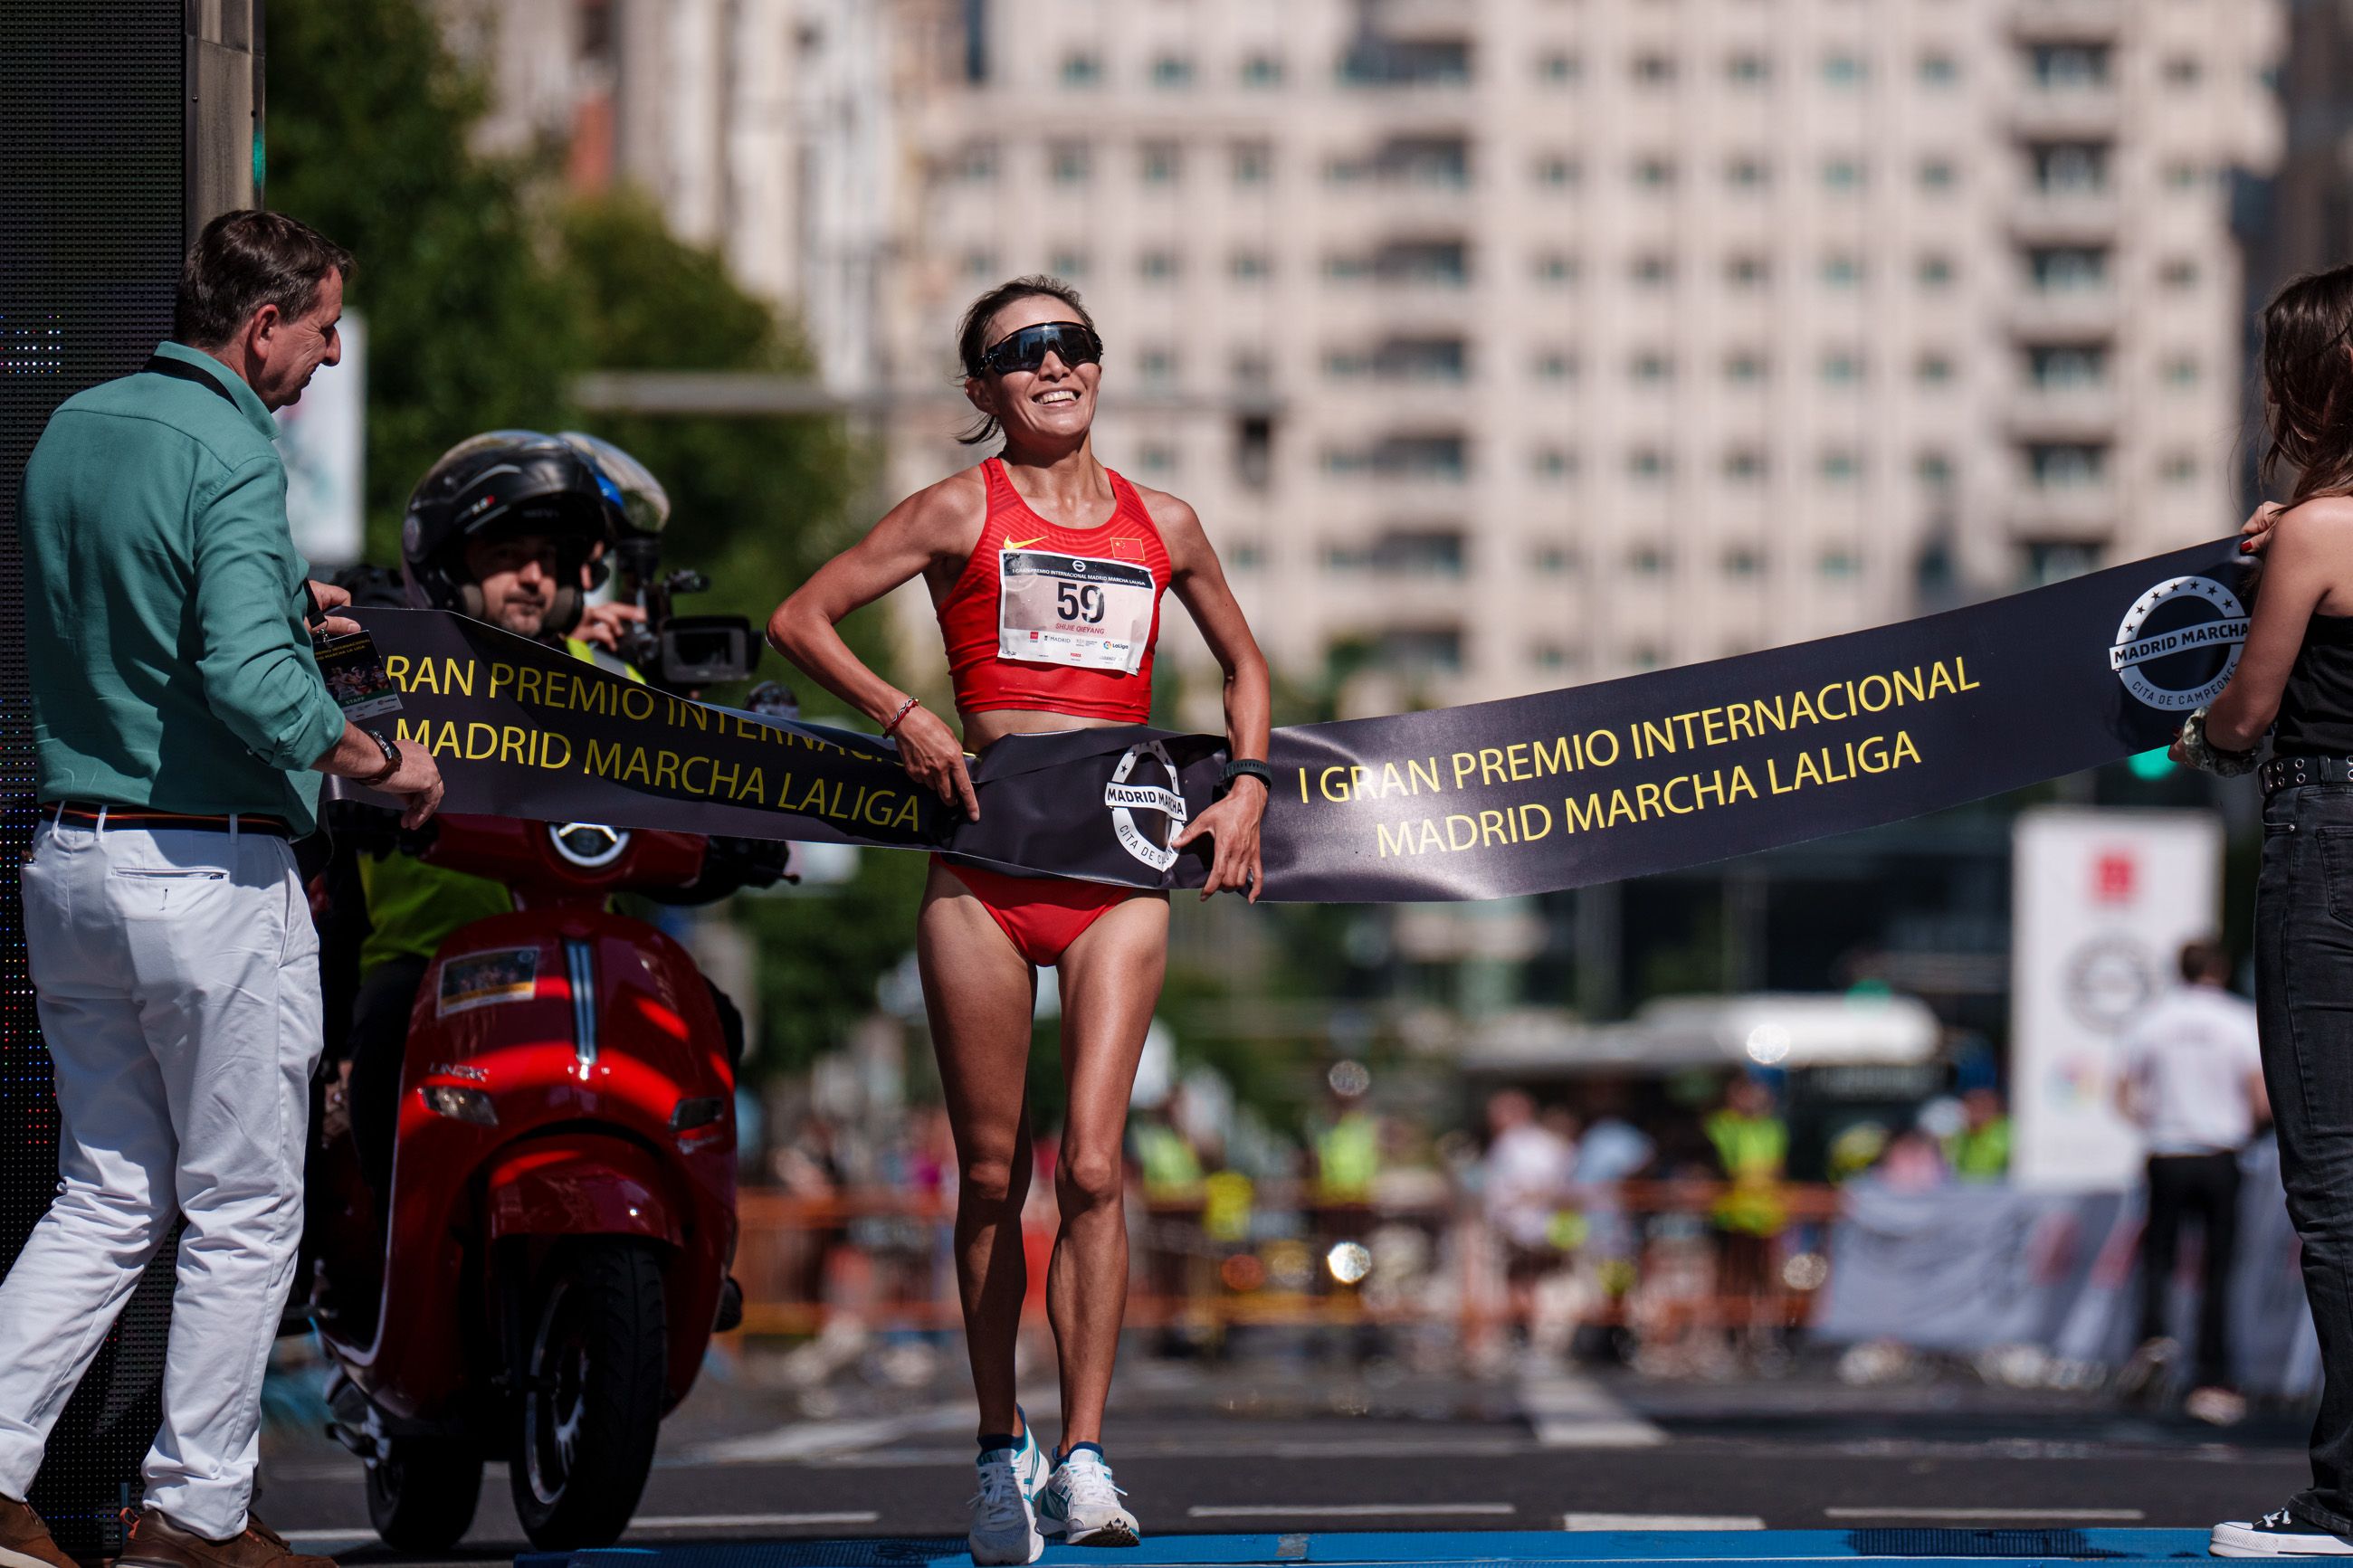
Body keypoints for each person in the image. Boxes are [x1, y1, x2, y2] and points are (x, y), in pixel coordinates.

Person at [768, 275, 1271, 1563]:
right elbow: (800, 618)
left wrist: (1252, 788)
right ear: (984, 390)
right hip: (982, 875)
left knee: (1096, 1167)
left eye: (1074, 343)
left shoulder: (1166, 520)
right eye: (1021, 351)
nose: (1055, 364)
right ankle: (1002, 1448)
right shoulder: (955, 510)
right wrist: (906, 712)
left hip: (1117, 873)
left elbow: (1245, 664)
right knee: (992, 1175)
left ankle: (1088, 1454)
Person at [0, 210, 442, 1568]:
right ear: (262, 328)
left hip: (70, 857)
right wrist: (379, 761)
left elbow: (132, 610)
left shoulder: (74, 425)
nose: (328, 354)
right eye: (321, 329)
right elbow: (250, 682)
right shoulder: (237, 446)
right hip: (207, 866)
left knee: (107, 1194)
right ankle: (194, 1515)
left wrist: (269, 598)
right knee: (248, 1204)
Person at [337, 430, 648, 1195]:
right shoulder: (390, 672)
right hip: (423, 966)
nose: (535, 578)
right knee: (377, 1047)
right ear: (450, 563)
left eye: (552, 559)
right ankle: (380, 1254)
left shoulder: (611, 682)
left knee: (710, 1015)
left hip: (581, 963)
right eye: (508, 555)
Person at [2186, 263, 2353, 1557]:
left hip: (2332, 836)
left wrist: (2207, 737)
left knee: (2339, 1181)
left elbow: (2248, 712)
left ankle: (2344, 1500)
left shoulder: (2315, 532)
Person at [2113, 937, 2266, 1427]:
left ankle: (2154, 1339)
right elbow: (2259, 1094)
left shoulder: (2152, 1019)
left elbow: (2121, 1089)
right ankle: (2212, 1375)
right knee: (2217, 1270)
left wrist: (2155, 1121)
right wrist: (2243, 1125)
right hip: (2221, 1153)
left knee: (2159, 1258)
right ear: (2219, 970)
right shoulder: (2238, 1019)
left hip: (2168, 1151)